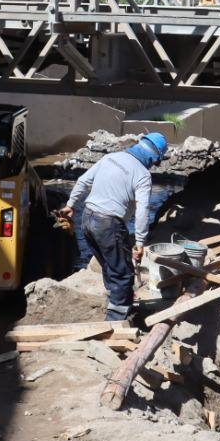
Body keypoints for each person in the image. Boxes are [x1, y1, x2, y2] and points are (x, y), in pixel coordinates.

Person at [59, 132, 168, 322]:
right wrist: (140, 242)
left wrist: (70, 205)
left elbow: (83, 181)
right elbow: (143, 211)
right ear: (153, 156)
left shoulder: (110, 157)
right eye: (156, 161)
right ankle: (114, 322)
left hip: (87, 217)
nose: (154, 165)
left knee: (110, 265)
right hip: (108, 224)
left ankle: (116, 301)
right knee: (123, 273)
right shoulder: (142, 175)